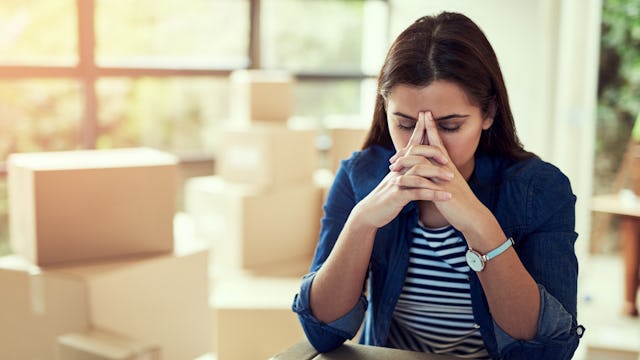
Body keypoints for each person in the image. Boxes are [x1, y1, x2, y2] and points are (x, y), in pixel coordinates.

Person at [292, 11, 584, 360]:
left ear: (488, 114)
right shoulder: (359, 175)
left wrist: (480, 225)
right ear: (385, 110)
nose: (426, 146)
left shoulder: (540, 189)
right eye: (404, 124)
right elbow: (321, 332)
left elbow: (547, 352)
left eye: (450, 126)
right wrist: (362, 222)